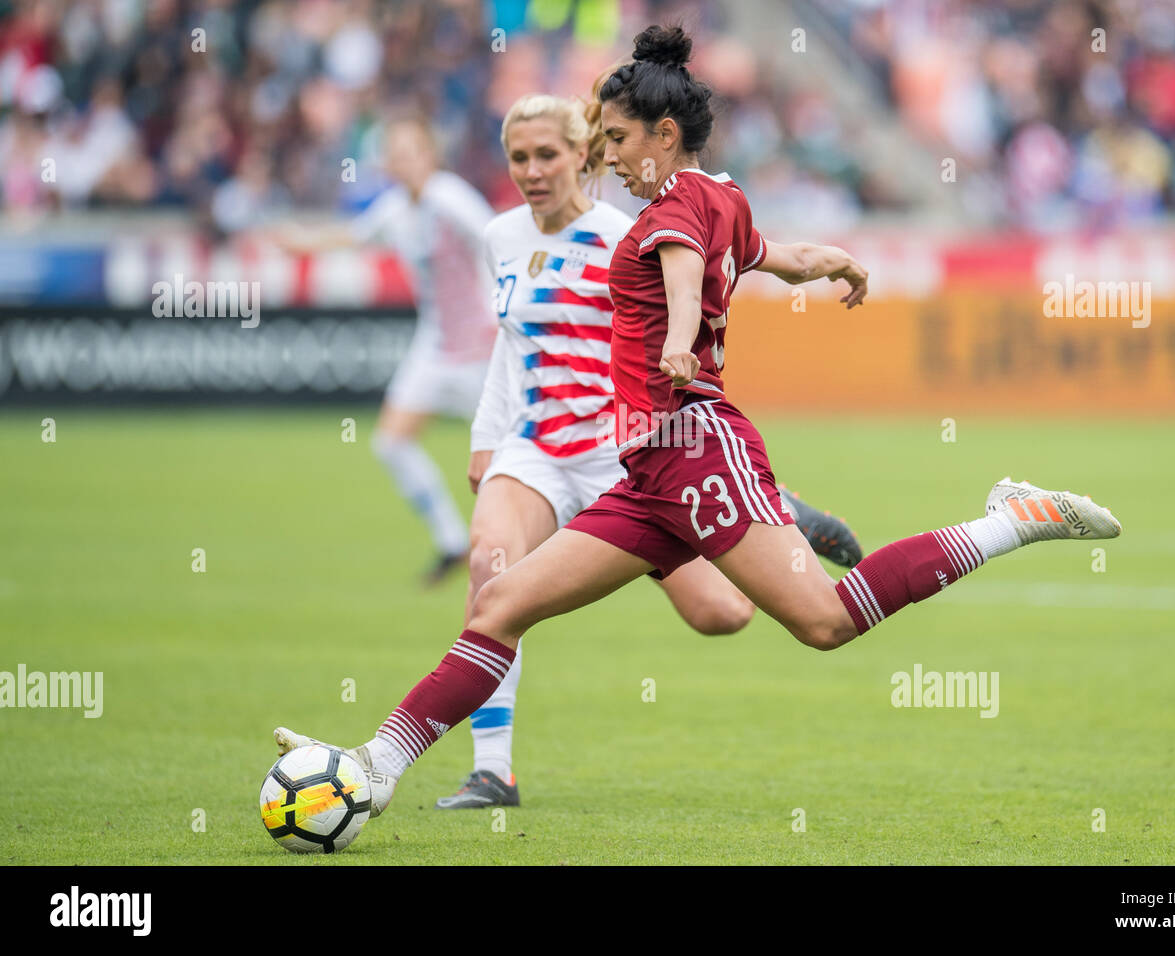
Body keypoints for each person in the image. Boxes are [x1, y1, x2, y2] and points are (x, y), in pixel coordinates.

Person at [274, 24, 1121, 823]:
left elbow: (682, 282)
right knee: (498, 606)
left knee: (824, 622)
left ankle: (1009, 519)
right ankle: (376, 767)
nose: (607, 154)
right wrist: (835, 263)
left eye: (615, 137)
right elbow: (777, 257)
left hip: (695, 448)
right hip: (647, 471)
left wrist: (680, 343)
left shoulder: (669, 213)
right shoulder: (722, 196)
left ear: (665, 133)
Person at [435, 91, 863, 809]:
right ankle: (492, 770)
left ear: (584, 155)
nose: (533, 171)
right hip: (535, 446)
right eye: (519, 158)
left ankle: (764, 508)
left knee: (722, 614)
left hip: (626, 452)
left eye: (548, 155)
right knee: (491, 567)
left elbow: (695, 305)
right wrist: (487, 438)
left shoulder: (625, 231)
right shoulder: (499, 238)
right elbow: (509, 345)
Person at [272, 117, 498, 584]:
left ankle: (526, 544)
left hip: (481, 348)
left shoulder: (450, 198)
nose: (402, 161)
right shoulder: (395, 208)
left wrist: (506, 308)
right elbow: (353, 236)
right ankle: (452, 540)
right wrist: (300, 243)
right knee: (392, 442)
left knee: (504, 459)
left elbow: (497, 242)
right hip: (435, 347)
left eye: (411, 151)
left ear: (430, 155)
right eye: (394, 154)